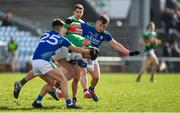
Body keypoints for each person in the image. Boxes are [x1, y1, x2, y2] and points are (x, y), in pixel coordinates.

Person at [14, 18, 91, 108]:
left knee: (52, 83)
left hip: (35, 61)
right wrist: (87, 51)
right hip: (44, 62)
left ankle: (37, 101)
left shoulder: (45, 34)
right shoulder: (61, 38)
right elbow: (76, 49)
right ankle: (69, 104)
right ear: (61, 29)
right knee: (63, 80)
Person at [64, 15, 140, 102]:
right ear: (97, 22)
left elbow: (116, 45)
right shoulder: (88, 26)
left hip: (92, 56)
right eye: (101, 25)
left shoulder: (105, 34)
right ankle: (74, 99)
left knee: (96, 77)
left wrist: (129, 53)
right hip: (82, 54)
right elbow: (75, 25)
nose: (102, 28)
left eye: (104, 26)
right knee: (76, 78)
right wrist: (68, 22)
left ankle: (91, 89)